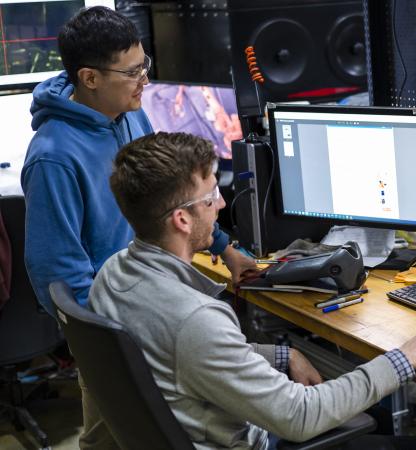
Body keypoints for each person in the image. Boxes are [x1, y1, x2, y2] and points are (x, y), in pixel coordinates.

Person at [91, 131, 416, 449]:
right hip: (252, 439)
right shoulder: (194, 318)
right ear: (182, 220)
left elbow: (179, 354)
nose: (222, 203)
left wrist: (280, 354)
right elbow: (300, 417)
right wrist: (406, 356)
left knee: (371, 413)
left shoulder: (113, 276)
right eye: (211, 197)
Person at [21, 7, 255, 449]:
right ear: (89, 78)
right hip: (115, 335)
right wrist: (117, 342)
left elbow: (171, 193)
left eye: (144, 66)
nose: (145, 81)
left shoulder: (130, 115)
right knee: (113, 435)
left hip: (153, 306)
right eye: (133, 73)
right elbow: (56, 274)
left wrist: (224, 248)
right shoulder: (54, 157)